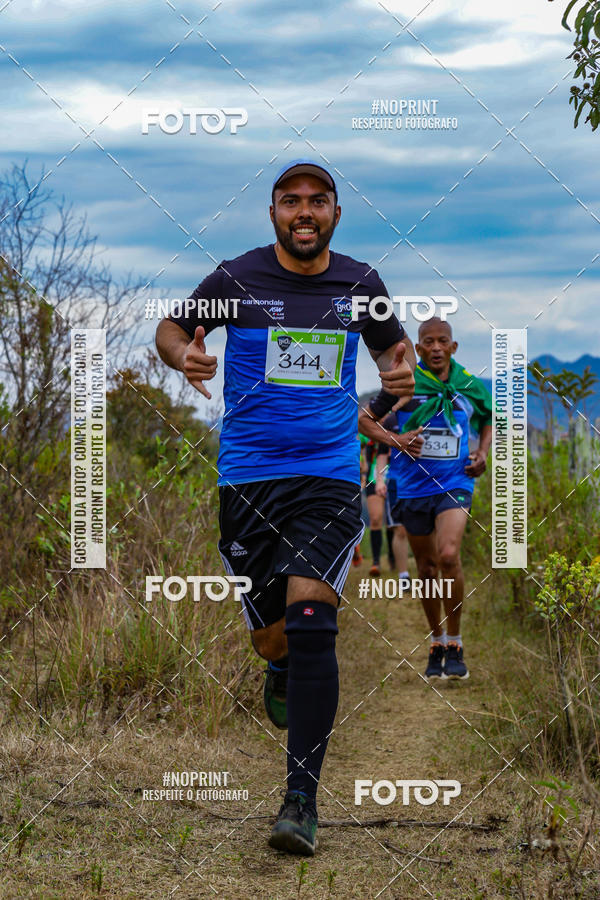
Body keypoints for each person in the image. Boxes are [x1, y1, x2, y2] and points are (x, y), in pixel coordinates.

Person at [155, 159, 416, 856]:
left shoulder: (363, 283)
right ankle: (276, 662)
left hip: (329, 478)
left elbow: (397, 350)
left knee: (311, 620)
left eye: (318, 200)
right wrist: (185, 355)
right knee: (275, 638)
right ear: (273, 213)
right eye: (291, 200)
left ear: (336, 212)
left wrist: (400, 369)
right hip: (247, 482)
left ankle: (300, 799)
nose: (305, 210)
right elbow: (171, 329)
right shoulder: (235, 279)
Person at [358, 317, 492, 681]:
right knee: (428, 568)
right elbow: (365, 421)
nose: (435, 348)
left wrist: (481, 454)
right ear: (418, 349)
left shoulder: (469, 385)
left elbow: (488, 419)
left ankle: (456, 642)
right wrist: (398, 441)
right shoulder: (407, 385)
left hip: (455, 483)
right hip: (413, 488)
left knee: (449, 555)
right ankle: (436, 642)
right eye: (428, 342)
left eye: (442, 341)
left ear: (453, 347)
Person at [375, 414, 411, 582]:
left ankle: (429, 566)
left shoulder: (426, 412)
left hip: (423, 481)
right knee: (400, 528)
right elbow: (382, 454)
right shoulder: (390, 421)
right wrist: (380, 480)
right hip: (396, 480)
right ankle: (403, 575)